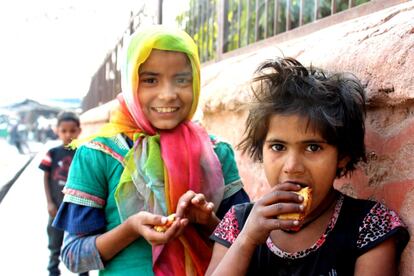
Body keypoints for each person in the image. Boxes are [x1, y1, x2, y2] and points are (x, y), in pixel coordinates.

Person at [52, 25, 249, 275]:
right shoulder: (97, 154)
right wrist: (131, 228)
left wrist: (208, 222)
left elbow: (247, 242)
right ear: (130, 83)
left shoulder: (216, 152)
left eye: (181, 80)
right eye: (150, 80)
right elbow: (73, 256)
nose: (168, 94)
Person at [206, 57, 409, 276]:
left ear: (342, 155)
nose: (292, 167)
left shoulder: (368, 225)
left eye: (313, 147)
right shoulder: (239, 223)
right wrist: (246, 241)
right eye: (277, 146)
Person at [38, 111, 87, 276]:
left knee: (81, 239)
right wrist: (49, 202)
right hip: (57, 206)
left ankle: (83, 271)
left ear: (79, 131)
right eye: (64, 131)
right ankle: (53, 269)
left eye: (72, 131)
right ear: (57, 131)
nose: (68, 135)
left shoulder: (84, 152)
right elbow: (46, 177)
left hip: (78, 207)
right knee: (54, 241)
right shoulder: (52, 153)